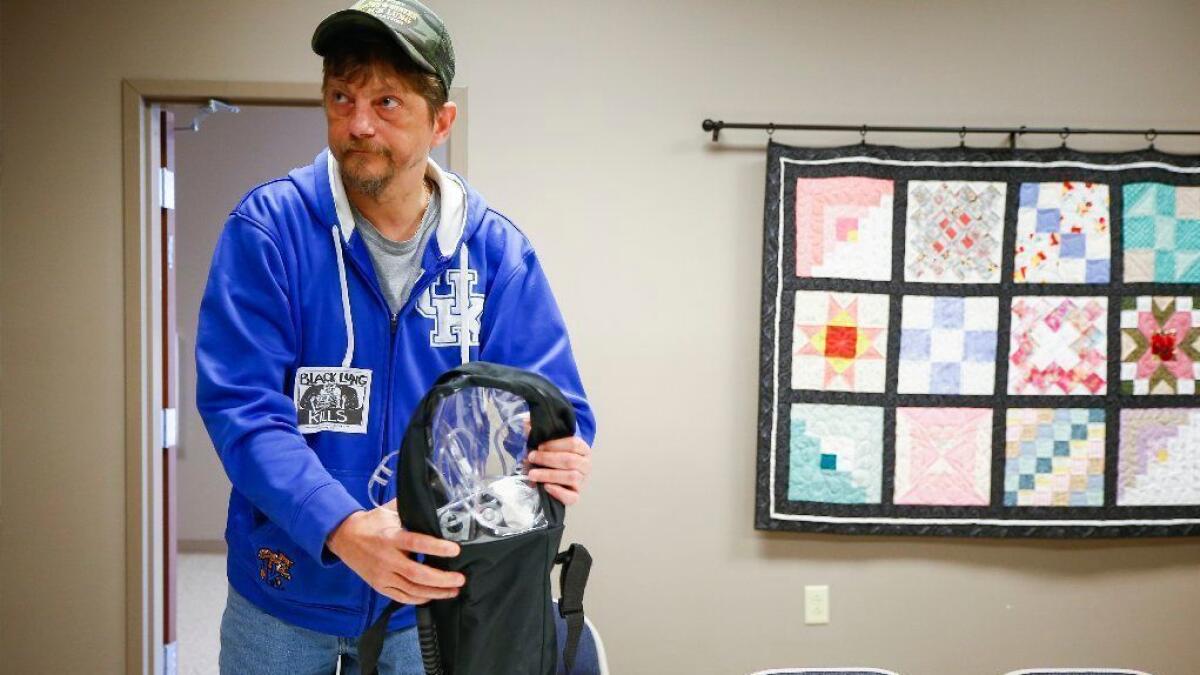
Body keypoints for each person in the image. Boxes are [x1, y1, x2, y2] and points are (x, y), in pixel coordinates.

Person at [194, 1, 596, 672]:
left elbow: (556, 406)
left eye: (386, 102)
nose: (357, 124)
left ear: (441, 122)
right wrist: (341, 526)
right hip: (284, 597)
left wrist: (565, 448)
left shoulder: (495, 253)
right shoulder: (269, 232)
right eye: (341, 98)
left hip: (430, 601)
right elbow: (243, 409)